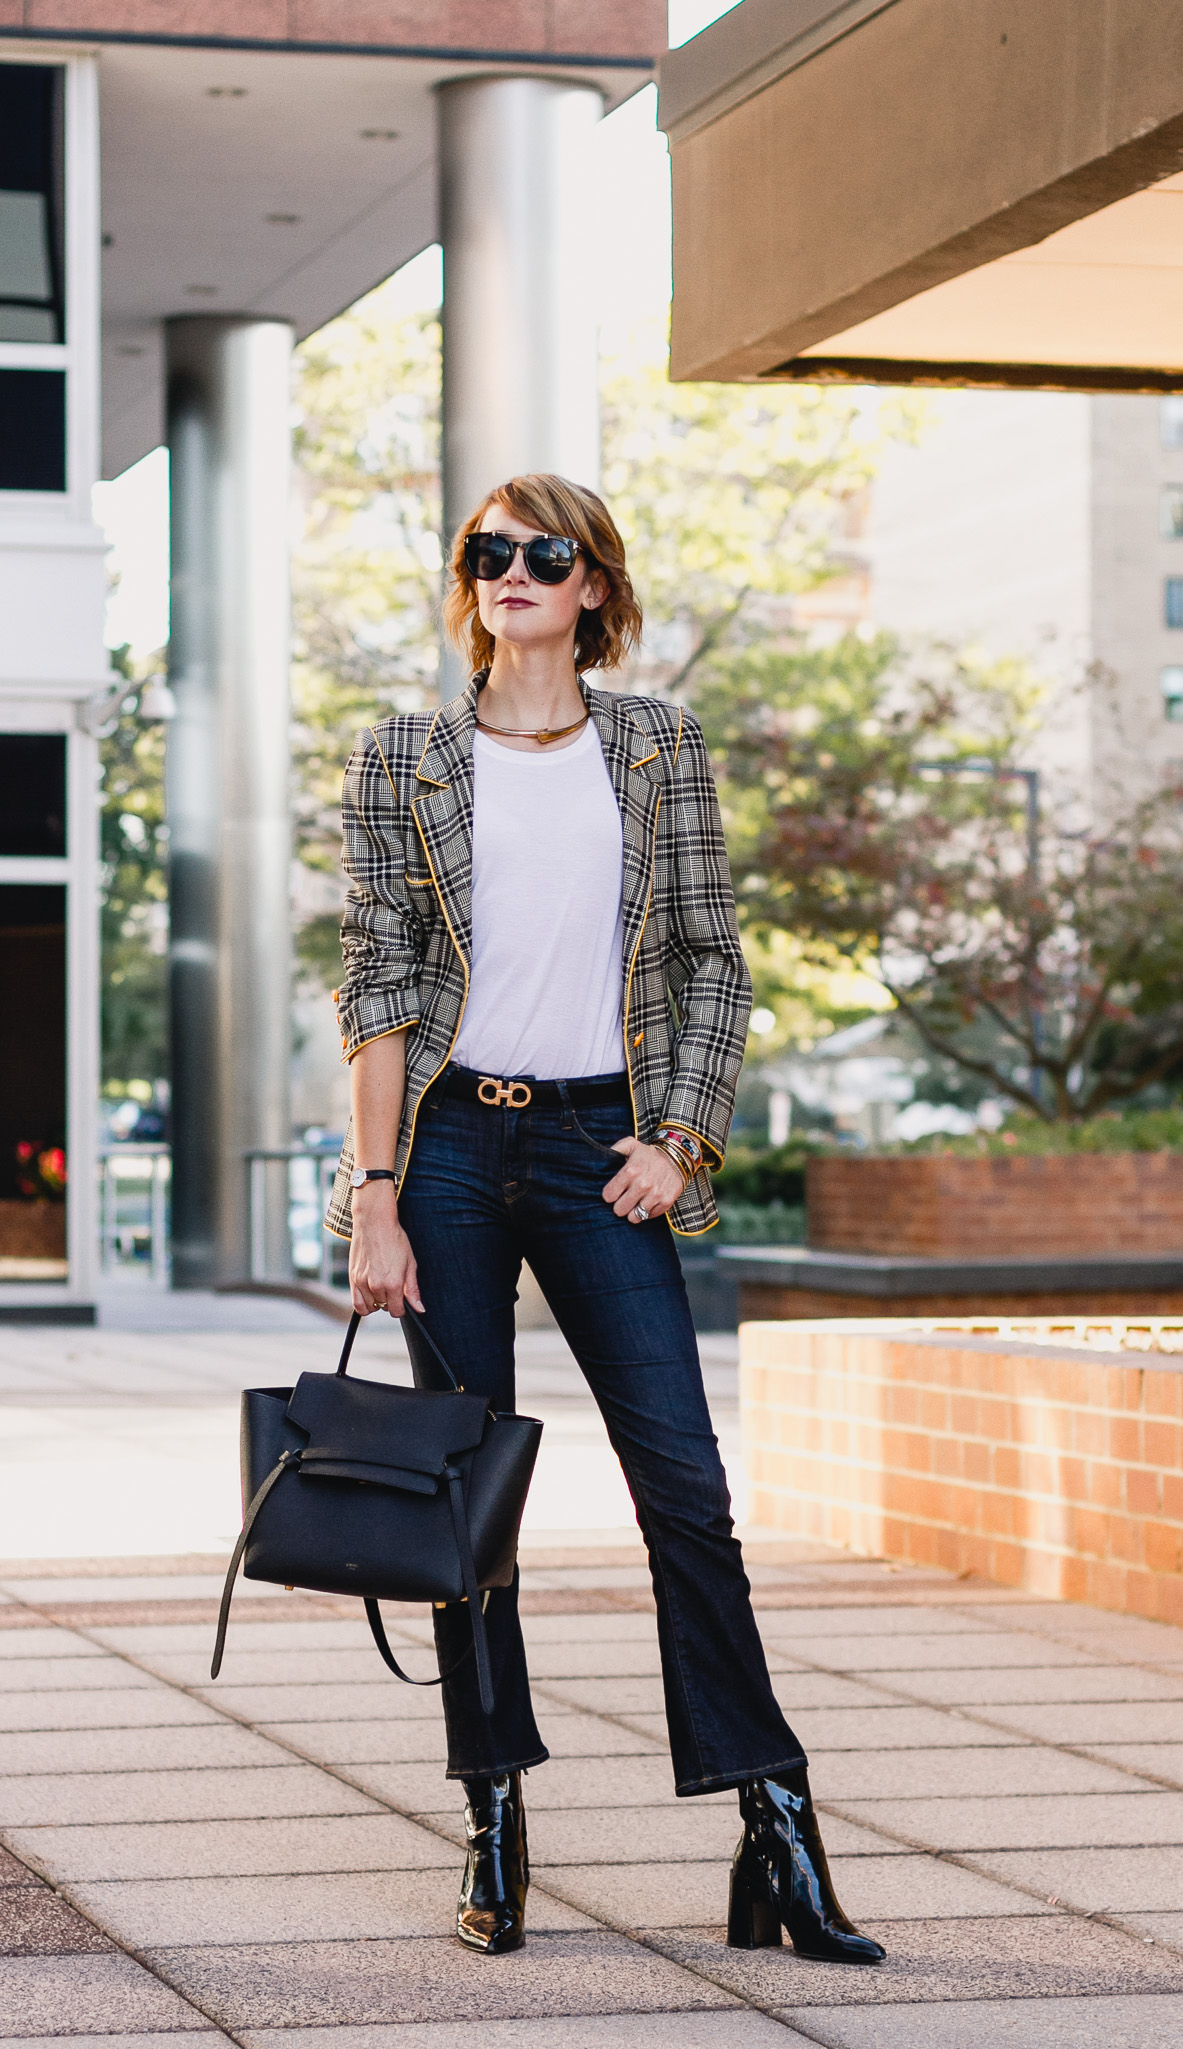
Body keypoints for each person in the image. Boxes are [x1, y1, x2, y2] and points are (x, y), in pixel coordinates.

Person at [324, 473, 883, 1967]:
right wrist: (373, 1196)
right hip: (444, 1149)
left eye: (543, 552)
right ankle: (492, 1815)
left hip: (598, 1143)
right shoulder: (404, 757)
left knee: (685, 1491)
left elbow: (712, 957)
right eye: (488, 552)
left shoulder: (655, 747)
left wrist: (681, 1134)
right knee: (466, 1503)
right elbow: (376, 983)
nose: (512, 569)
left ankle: (774, 1817)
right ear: (473, 584)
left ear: (591, 589)